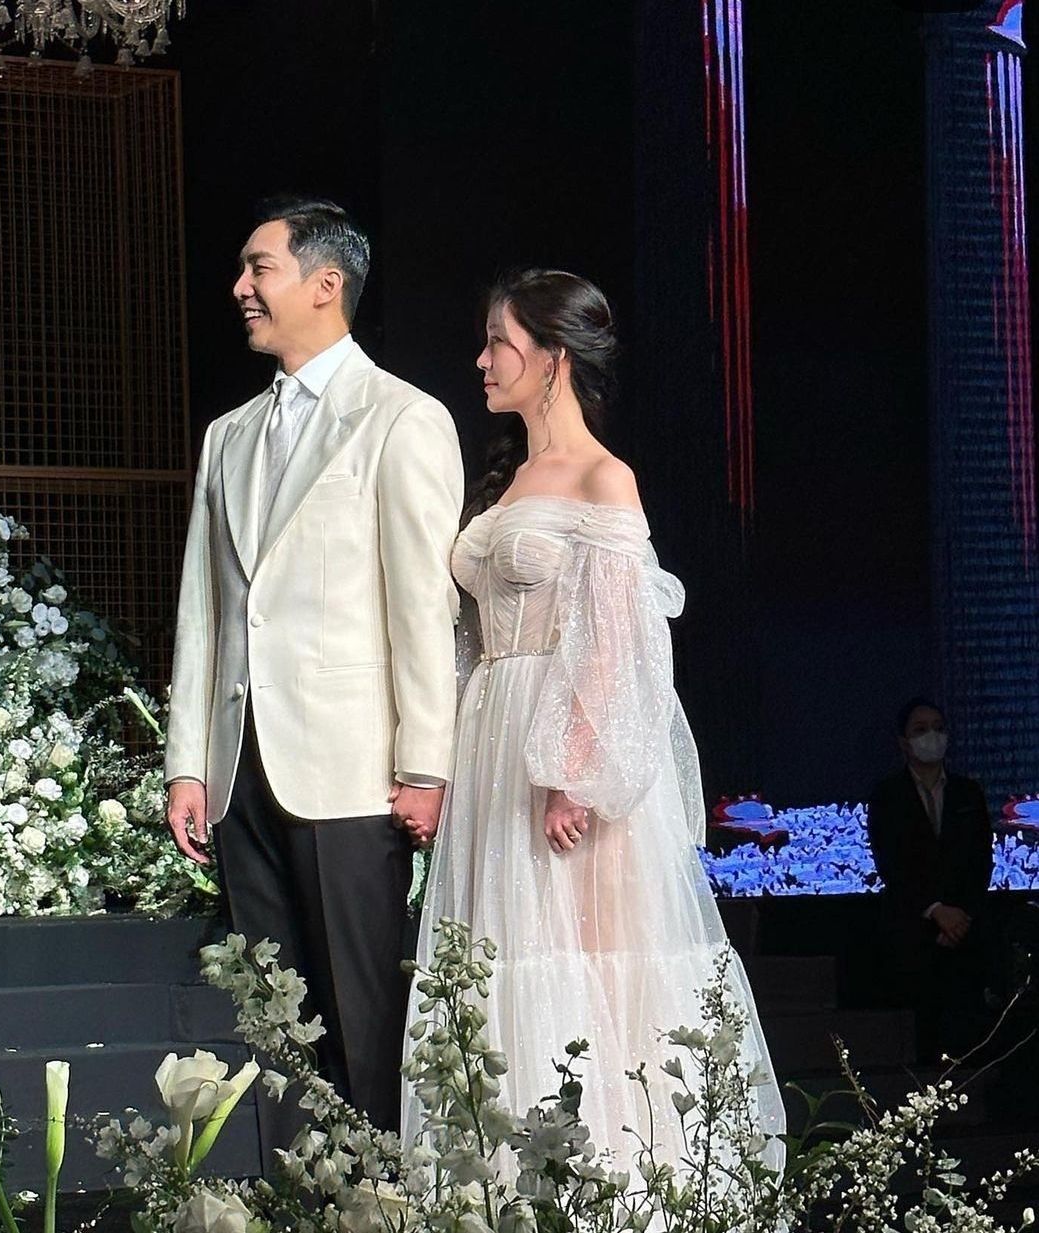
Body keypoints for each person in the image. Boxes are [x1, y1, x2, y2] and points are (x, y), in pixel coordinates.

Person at [401, 269, 784, 1171]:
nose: (482, 359)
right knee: (502, 951)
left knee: (580, 956)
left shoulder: (604, 478)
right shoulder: (509, 478)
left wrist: (572, 770)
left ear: (552, 357)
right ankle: (503, 1181)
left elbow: (620, 643)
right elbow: (468, 638)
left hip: (556, 748)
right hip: (493, 736)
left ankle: (606, 1182)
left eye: (498, 342)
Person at [163, 197, 464, 1149]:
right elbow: (206, 609)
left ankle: (381, 1198)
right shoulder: (228, 434)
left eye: (259, 268)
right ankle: (304, 1197)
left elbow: (422, 604)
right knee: (275, 1028)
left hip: (349, 767)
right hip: (240, 768)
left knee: (359, 1016)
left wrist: (425, 762)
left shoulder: (401, 417)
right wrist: (186, 761)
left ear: (325, 284)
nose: (240, 288)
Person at [867, 697, 993, 1062]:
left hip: (965, 936)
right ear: (904, 742)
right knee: (920, 1043)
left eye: (938, 728)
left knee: (970, 1042)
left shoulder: (969, 793)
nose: (932, 736)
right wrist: (936, 910)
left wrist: (960, 916)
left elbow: (981, 861)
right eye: (921, 730)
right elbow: (891, 863)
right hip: (912, 935)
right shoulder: (887, 796)